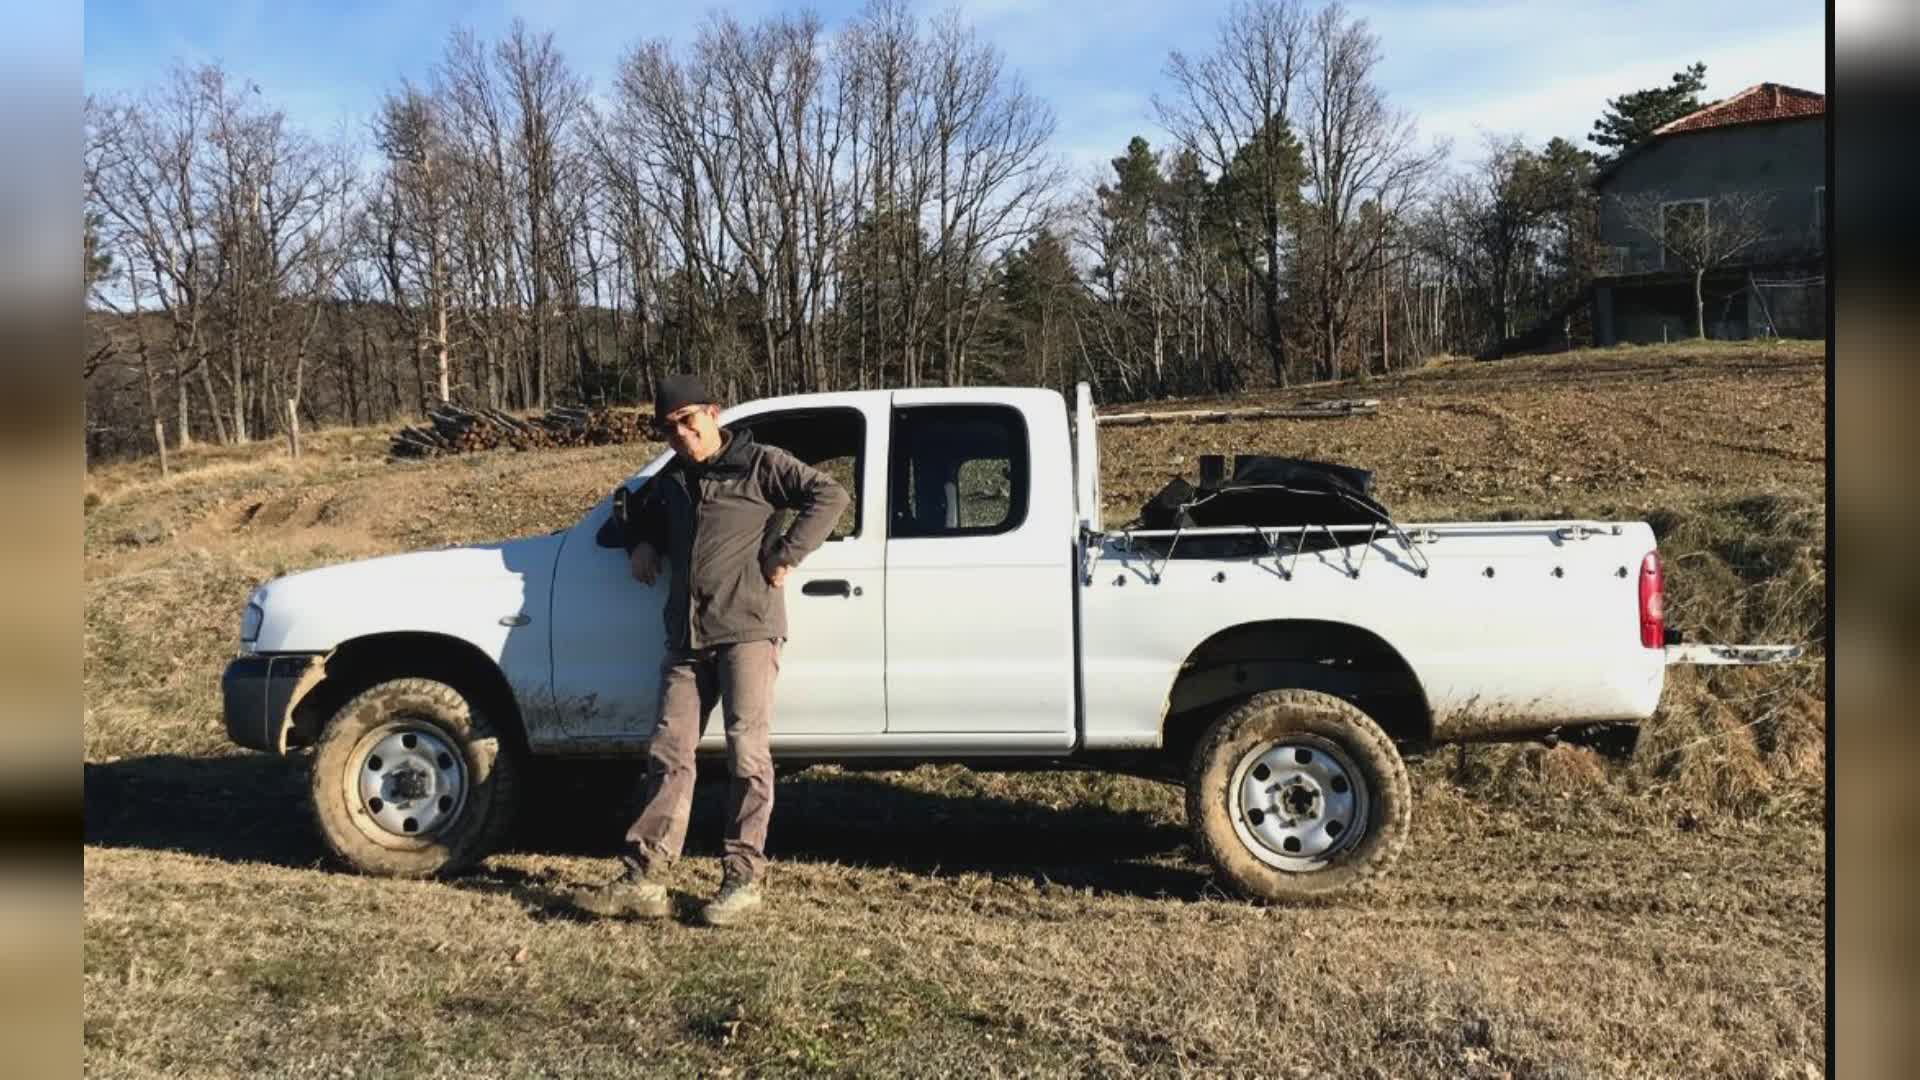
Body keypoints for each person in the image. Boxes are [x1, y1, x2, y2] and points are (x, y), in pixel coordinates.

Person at [571, 373, 850, 927]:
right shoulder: (672, 480)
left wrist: (788, 554)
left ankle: (742, 880)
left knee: (748, 754)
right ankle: (643, 878)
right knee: (668, 754)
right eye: (670, 427)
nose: (681, 434)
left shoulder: (761, 463)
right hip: (686, 637)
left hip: (746, 628)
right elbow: (628, 508)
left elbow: (830, 494)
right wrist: (641, 542)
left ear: (714, 414)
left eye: (689, 421)